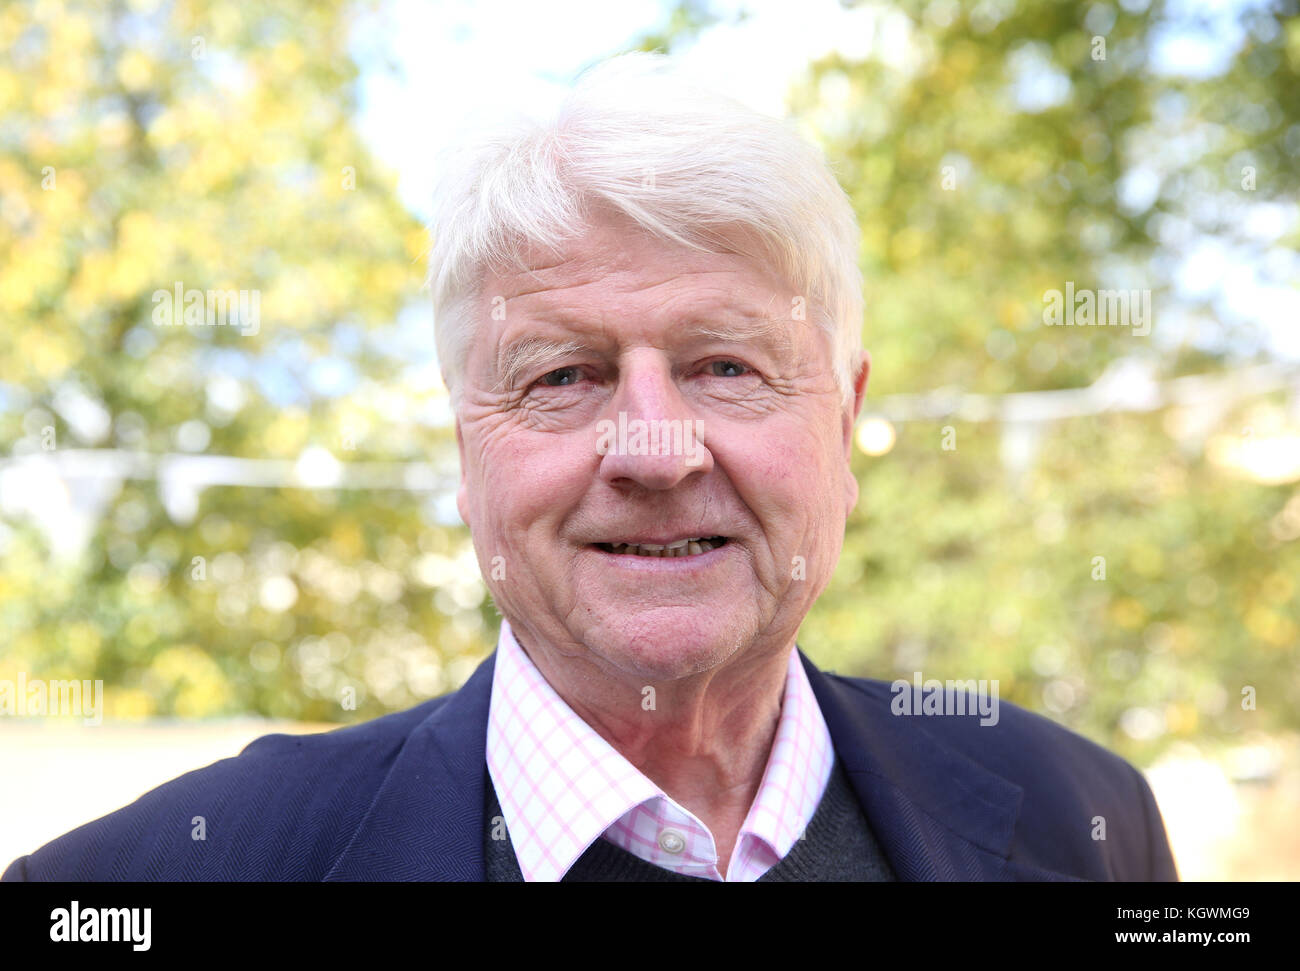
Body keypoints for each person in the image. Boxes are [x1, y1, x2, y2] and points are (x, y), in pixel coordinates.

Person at [4, 53, 1177, 882]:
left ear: (844, 417)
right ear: (466, 445)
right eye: (562, 376)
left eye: (724, 364)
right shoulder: (157, 876)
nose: (656, 451)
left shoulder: (1088, 819)